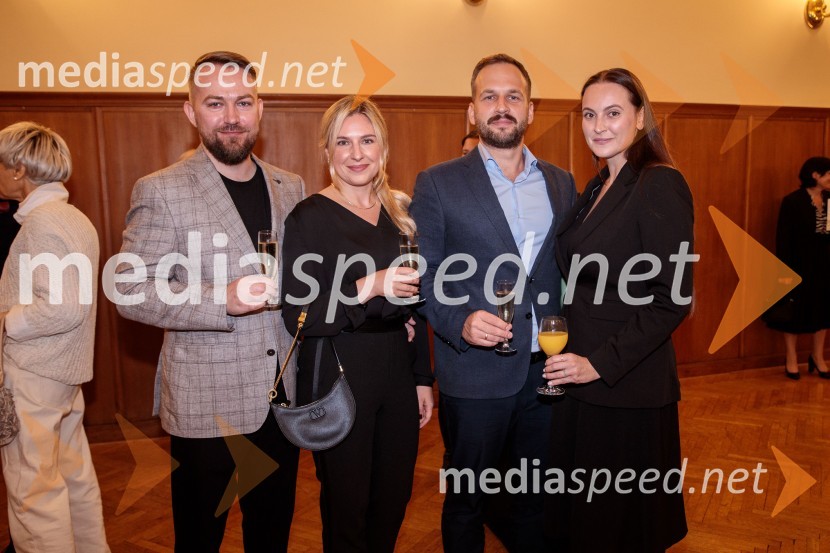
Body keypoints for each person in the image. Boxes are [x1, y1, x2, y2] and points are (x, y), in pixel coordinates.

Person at [115, 51, 305, 552]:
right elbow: (130, 289)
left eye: (243, 102)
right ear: (191, 111)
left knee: (272, 537)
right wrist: (221, 300)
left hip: (281, 401)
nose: (231, 116)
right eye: (215, 103)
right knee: (200, 540)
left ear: (260, 108)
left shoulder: (290, 186)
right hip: (206, 404)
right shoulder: (161, 189)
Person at [410, 53, 576, 553]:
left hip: (547, 371)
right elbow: (423, 274)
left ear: (530, 110)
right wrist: (460, 322)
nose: (501, 106)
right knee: (468, 501)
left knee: (536, 497)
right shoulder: (437, 182)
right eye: (489, 96)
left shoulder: (561, 182)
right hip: (475, 373)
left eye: (513, 96)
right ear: (472, 110)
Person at [543, 68, 693, 552]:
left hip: (625, 384)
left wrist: (598, 364)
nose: (599, 125)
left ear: (640, 117)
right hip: (580, 378)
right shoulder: (598, 185)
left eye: (612, 113)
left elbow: (673, 299)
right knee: (586, 523)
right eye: (589, 114)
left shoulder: (658, 183)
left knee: (619, 527)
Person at [281, 96, 434, 553]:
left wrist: (422, 378)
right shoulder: (309, 217)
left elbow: (414, 306)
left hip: (396, 369)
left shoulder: (400, 213)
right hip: (338, 370)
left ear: (383, 149)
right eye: (343, 142)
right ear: (327, 152)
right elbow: (299, 316)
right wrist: (369, 285)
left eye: (367, 141)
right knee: (347, 508)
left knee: (393, 499)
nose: (356, 153)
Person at [0, 121, 108, 552]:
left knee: (34, 494)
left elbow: (62, 307)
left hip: (34, 373)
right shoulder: (72, 217)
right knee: (74, 479)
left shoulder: (43, 223)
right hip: (61, 374)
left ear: (18, 170)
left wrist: (5, 321)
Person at [764, 156, 830, 379]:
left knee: (823, 312)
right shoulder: (792, 201)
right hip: (798, 265)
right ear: (815, 175)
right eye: (828, 174)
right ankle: (791, 358)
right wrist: (784, 271)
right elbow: (783, 239)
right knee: (794, 313)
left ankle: (818, 357)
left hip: (824, 265)